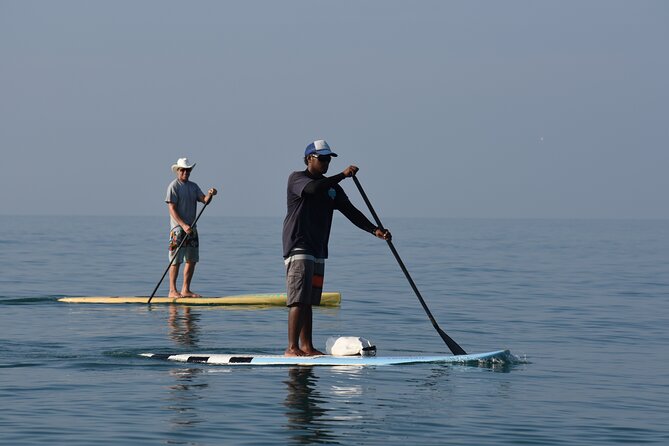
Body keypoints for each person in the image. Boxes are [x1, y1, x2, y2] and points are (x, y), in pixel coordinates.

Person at [282, 140, 391, 356]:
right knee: (298, 299)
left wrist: (374, 229)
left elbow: (351, 212)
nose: (326, 163)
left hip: (318, 248)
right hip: (299, 245)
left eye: (328, 159)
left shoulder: (332, 189)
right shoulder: (297, 178)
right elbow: (312, 189)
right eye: (322, 159)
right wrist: (342, 175)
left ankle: (307, 347)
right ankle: (291, 348)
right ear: (308, 159)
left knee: (309, 301)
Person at [165, 157, 217, 298]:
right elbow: (172, 208)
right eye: (183, 170)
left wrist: (211, 194)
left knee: (192, 259)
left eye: (188, 170)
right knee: (176, 260)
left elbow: (204, 200)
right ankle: (172, 291)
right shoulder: (173, 186)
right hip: (178, 229)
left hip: (192, 229)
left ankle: (185, 290)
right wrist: (183, 225)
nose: (185, 173)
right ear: (178, 171)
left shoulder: (193, 186)